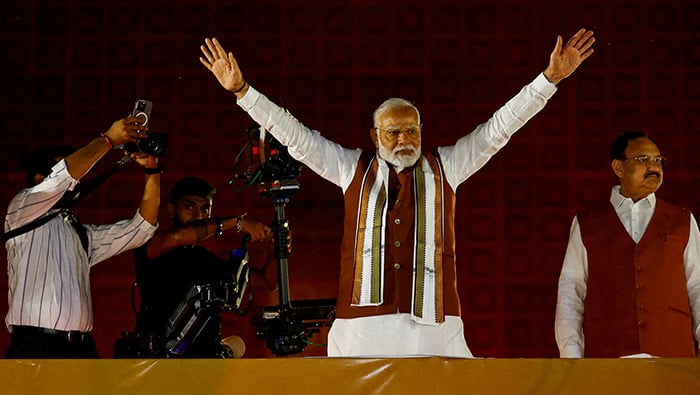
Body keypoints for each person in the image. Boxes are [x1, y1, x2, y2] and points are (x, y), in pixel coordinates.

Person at [199, 29, 595, 357]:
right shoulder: (349, 167)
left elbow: (498, 130)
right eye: (394, 131)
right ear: (375, 136)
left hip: (436, 324)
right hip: (362, 326)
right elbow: (295, 137)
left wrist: (549, 79)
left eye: (412, 130)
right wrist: (242, 91)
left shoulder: (448, 166)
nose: (405, 139)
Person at [4, 116, 161, 358]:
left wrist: (152, 171)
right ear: (38, 178)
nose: (76, 182)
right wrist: (107, 140)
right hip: (35, 347)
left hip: (82, 349)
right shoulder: (22, 207)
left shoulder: (78, 232)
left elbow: (140, 230)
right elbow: (63, 178)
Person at [555, 131, 700, 358]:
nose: (654, 167)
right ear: (618, 168)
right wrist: (571, 355)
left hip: (673, 355)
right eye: (643, 159)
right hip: (609, 356)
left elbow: (697, 286)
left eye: (658, 160)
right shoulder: (587, 223)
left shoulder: (682, 220)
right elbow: (571, 291)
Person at [132, 176, 272, 358]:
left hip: (203, 366)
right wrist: (237, 223)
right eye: (189, 207)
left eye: (205, 209)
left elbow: (266, 282)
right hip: (156, 363)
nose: (198, 216)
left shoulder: (204, 259)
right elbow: (177, 237)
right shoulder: (153, 244)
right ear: (171, 210)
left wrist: (274, 247)